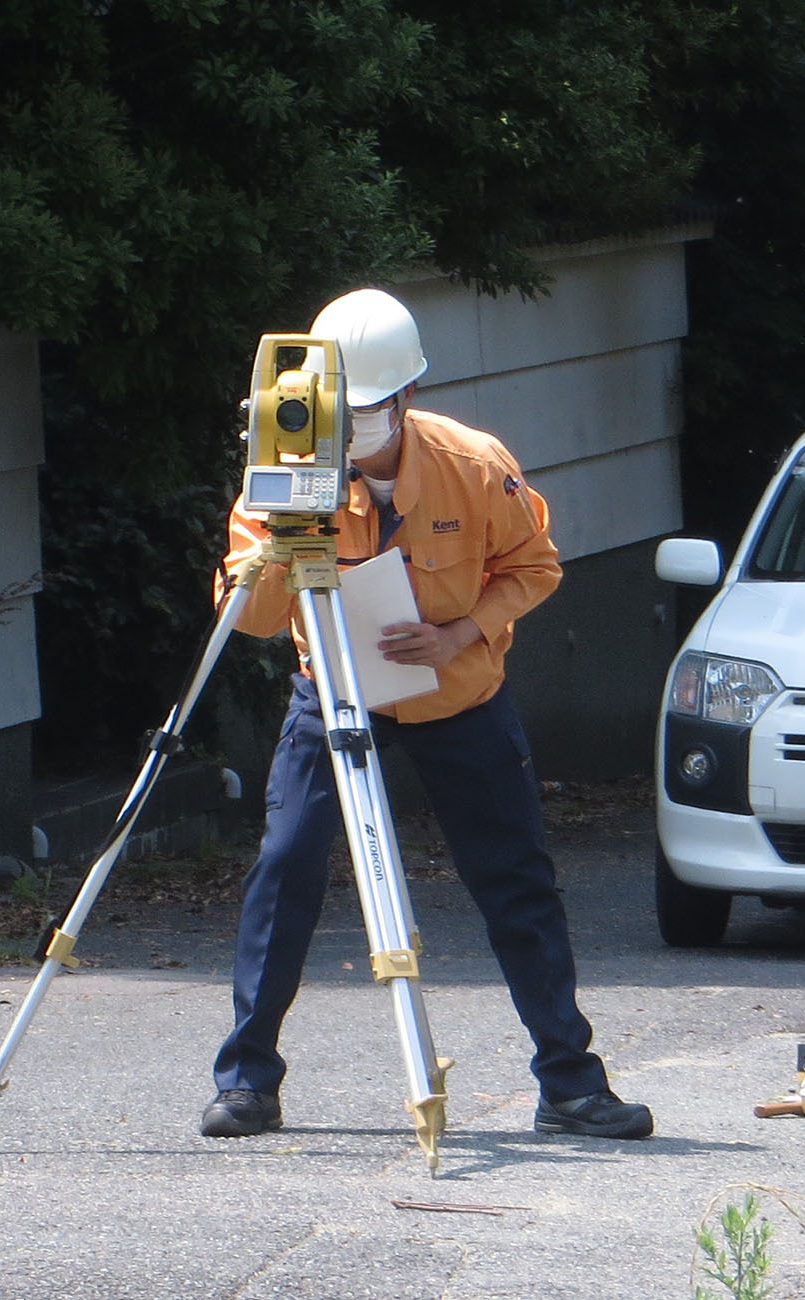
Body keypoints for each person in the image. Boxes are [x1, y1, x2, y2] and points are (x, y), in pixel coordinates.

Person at [200, 288, 653, 1142]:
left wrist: (461, 633)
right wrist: (282, 543)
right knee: (285, 866)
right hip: (333, 694)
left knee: (516, 881)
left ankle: (571, 1083)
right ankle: (246, 1081)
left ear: (406, 397)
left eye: (369, 408)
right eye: (342, 408)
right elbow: (252, 621)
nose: (353, 425)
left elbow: (536, 567)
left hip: (459, 698)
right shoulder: (286, 459)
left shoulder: (473, 464)